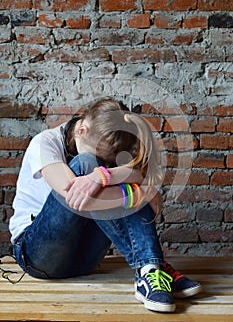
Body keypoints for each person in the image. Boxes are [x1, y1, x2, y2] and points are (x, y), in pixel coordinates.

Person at [9, 97, 202, 313]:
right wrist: (142, 192)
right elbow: (75, 196)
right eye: (101, 159)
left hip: (85, 258)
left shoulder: (103, 144)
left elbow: (136, 173)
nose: (101, 165)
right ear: (81, 129)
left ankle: (150, 269)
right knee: (86, 164)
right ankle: (149, 263)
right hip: (38, 256)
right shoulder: (44, 143)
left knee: (106, 176)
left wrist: (103, 176)